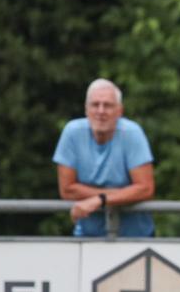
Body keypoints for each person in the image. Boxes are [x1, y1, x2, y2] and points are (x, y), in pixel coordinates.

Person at [53, 79, 155, 237]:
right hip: (87, 237)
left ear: (120, 111)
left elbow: (145, 189)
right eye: (95, 105)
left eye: (108, 105)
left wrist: (100, 200)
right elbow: (67, 190)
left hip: (135, 238)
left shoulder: (132, 133)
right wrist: (120, 194)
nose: (101, 111)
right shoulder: (72, 132)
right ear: (86, 109)